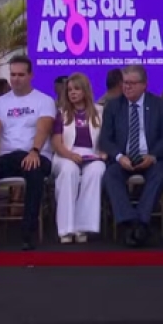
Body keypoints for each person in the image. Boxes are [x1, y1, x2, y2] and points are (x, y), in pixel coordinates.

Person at [0, 56, 56, 251]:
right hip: (7, 156)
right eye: (13, 75)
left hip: (36, 154)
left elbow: (43, 128)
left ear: (31, 75)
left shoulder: (44, 100)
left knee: (33, 168)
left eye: (20, 75)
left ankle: (28, 232)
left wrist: (34, 151)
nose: (16, 79)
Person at [100, 65, 163, 248]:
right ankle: (132, 221)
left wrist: (153, 156)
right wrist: (119, 157)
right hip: (124, 158)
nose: (127, 87)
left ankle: (140, 221)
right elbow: (106, 139)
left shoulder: (159, 105)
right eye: (125, 83)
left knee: (160, 174)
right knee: (110, 176)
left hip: (150, 157)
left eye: (131, 83)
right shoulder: (114, 106)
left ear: (144, 85)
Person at [51, 73, 105, 244]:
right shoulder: (61, 113)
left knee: (96, 170)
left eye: (76, 89)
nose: (72, 93)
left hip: (92, 154)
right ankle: (66, 229)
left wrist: (103, 153)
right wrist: (70, 155)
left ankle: (83, 226)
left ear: (85, 90)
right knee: (69, 170)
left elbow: (105, 138)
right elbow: (57, 143)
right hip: (65, 154)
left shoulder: (100, 112)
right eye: (69, 90)